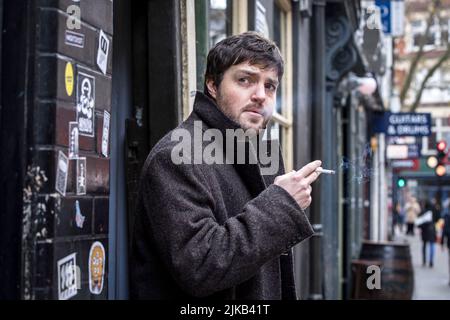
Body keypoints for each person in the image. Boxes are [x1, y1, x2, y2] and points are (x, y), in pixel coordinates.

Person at [129, 32, 322, 299]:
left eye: (270, 86)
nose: (260, 96)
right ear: (212, 84)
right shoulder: (176, 157)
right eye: (245, 80)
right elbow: (202, 266)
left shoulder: (253, 153)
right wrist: (282, 202)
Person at [418, 200, 439, 268]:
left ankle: (424, 261)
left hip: (424, 231)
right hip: (432, 229)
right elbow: (438, 219)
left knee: (424, 245)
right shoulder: (434, 210)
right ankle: (431, 261)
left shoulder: (424, 211)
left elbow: (419, 221)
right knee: (432, 245)